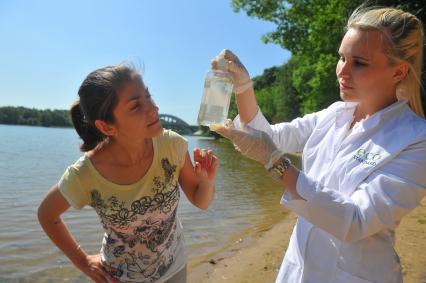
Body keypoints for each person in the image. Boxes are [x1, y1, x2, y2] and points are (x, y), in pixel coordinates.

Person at [211, 5, 426, 283]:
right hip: (297, 269)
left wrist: (276, 163)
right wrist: (243, 86)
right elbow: (269, 138)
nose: (342, 71)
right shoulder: (335, 114)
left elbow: (356, 220)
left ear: (398, 72)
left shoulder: (415, 139)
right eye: (341, 58)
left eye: (359, 63)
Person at [38, 64, 218, 283]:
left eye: (148, 96)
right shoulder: (86, 174)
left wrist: (207, 181)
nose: (153, 108)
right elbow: (46, 214)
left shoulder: (171, 145)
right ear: (107, 127)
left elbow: (201, 201)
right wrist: (82, 260)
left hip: (175, 267)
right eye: (136, 106)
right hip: (121, 278)